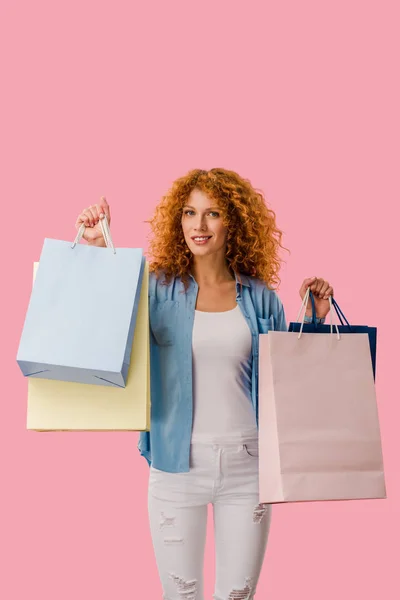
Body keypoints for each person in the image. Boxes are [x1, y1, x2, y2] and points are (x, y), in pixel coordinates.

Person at [75, 168, 334, 600]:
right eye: (190, 213)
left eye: (212, 213)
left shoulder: (261, 297)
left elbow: (285, 382)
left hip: (248, 467)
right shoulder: (157, 289)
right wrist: (100, 250)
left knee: (238, 595)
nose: (199, 225)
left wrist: (312, 319)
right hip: (176, 466)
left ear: (233, 221)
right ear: (178, 220)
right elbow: (108, 325)